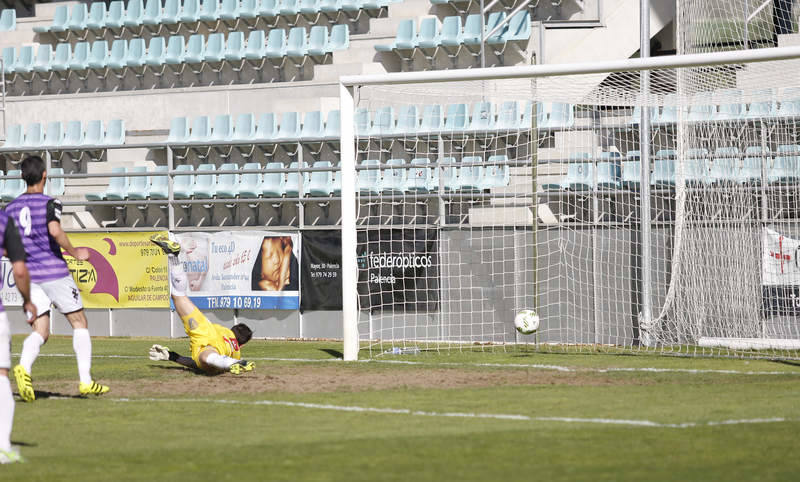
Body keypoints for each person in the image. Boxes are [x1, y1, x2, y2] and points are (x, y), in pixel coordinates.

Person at [7, 155, 109, 402]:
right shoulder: (50, 202)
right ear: (45, 175)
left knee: (41, 330)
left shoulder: (9, 208)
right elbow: (55, 230)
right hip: (54, 272)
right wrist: (75, 252)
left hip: (30, 277)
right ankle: (85, 381)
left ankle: (24, 367)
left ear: (22, 178)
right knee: (79, 322)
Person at [149, 233, 255, 375]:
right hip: (209, 342)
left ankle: (173, 256)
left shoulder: (223, 330)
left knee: (179, 296)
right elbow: (198, 364)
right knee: (207, 360)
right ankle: (231, 363)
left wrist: (172, 356)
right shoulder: (236, 351)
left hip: (204, 326)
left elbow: (195, 363)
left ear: (233, 329)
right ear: (241, 344)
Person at [0, 211, 37, 464]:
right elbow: (20, 270)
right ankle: (2, 446)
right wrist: (27, 300)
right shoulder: (3, 221)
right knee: (2, 376)